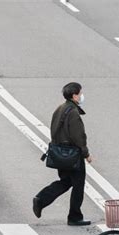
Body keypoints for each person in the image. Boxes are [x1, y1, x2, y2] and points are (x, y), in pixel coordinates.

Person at [33, 82, 92, 226]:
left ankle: (41, 199)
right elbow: (79, 137)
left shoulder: (60, 109)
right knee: (78, 185)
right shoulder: (72, 113)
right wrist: (86, 154)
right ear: (74, 96)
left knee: (66, 181)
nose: (82, 96)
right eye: (80, 93)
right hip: (73, 155)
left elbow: (54, 130)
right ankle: (75, 216)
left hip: (61, 154)